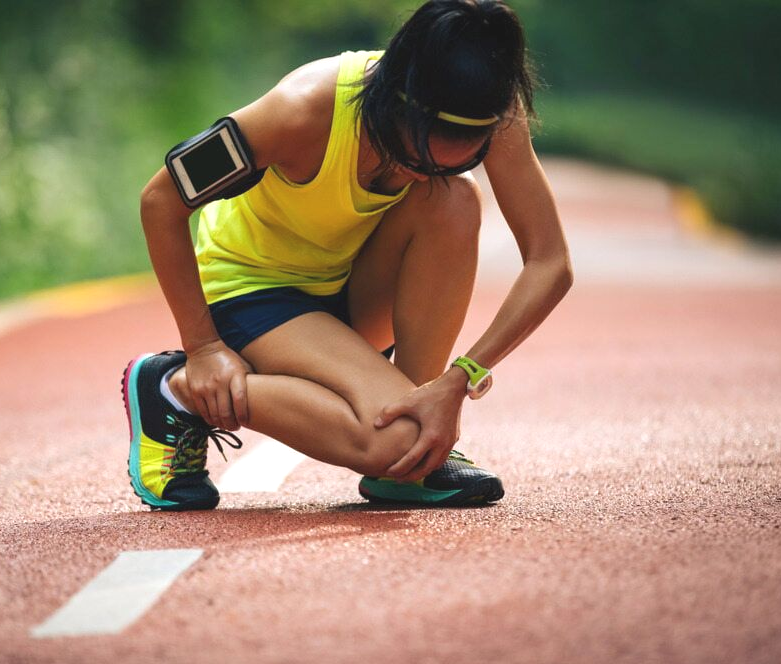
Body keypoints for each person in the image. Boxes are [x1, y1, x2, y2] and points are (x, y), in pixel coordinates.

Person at [124, 0, 572, 510]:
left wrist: (455, 381)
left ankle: (412, 443)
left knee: (454, 198)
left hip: (347, 288)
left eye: (460, 157)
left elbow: (550, 261)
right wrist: (203, 346)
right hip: (252, 291)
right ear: (396, 101)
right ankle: (174, 390)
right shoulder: (299, 109)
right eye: (412, 157)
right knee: (397, 442)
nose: (419, 176)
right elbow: (160, 200)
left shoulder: (487, 109)